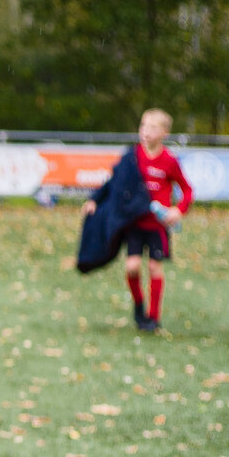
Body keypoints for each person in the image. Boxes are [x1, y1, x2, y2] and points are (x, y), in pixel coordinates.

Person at [85, 108, 192, 333]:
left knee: (154, 267)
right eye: (143, 126)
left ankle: (153, 318)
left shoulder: (169, 161)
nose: (145, 131)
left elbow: (187, 190)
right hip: (134, 223)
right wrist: (95, 200)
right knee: (132, 267)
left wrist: (178, 210)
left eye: (152, 128)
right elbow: (113, 182)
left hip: (157, 226)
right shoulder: (132, 157)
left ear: (164, 132)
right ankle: (138, 306)